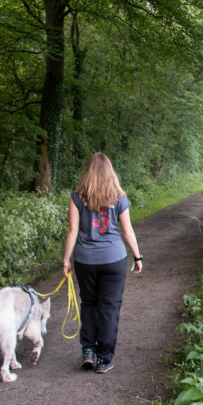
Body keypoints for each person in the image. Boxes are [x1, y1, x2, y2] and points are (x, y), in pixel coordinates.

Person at [62, 153, 142, 374]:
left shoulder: (77, 197)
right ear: (111, 172)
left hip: (85, 260)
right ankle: (104, 360)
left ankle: (88, 350)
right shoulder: (119, 197)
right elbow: (127, 231)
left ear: (88, 171)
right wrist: (137, 257)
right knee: (109, 307)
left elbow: (72, 231)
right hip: (113, 259)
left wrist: (66, 260)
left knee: (89, 303)